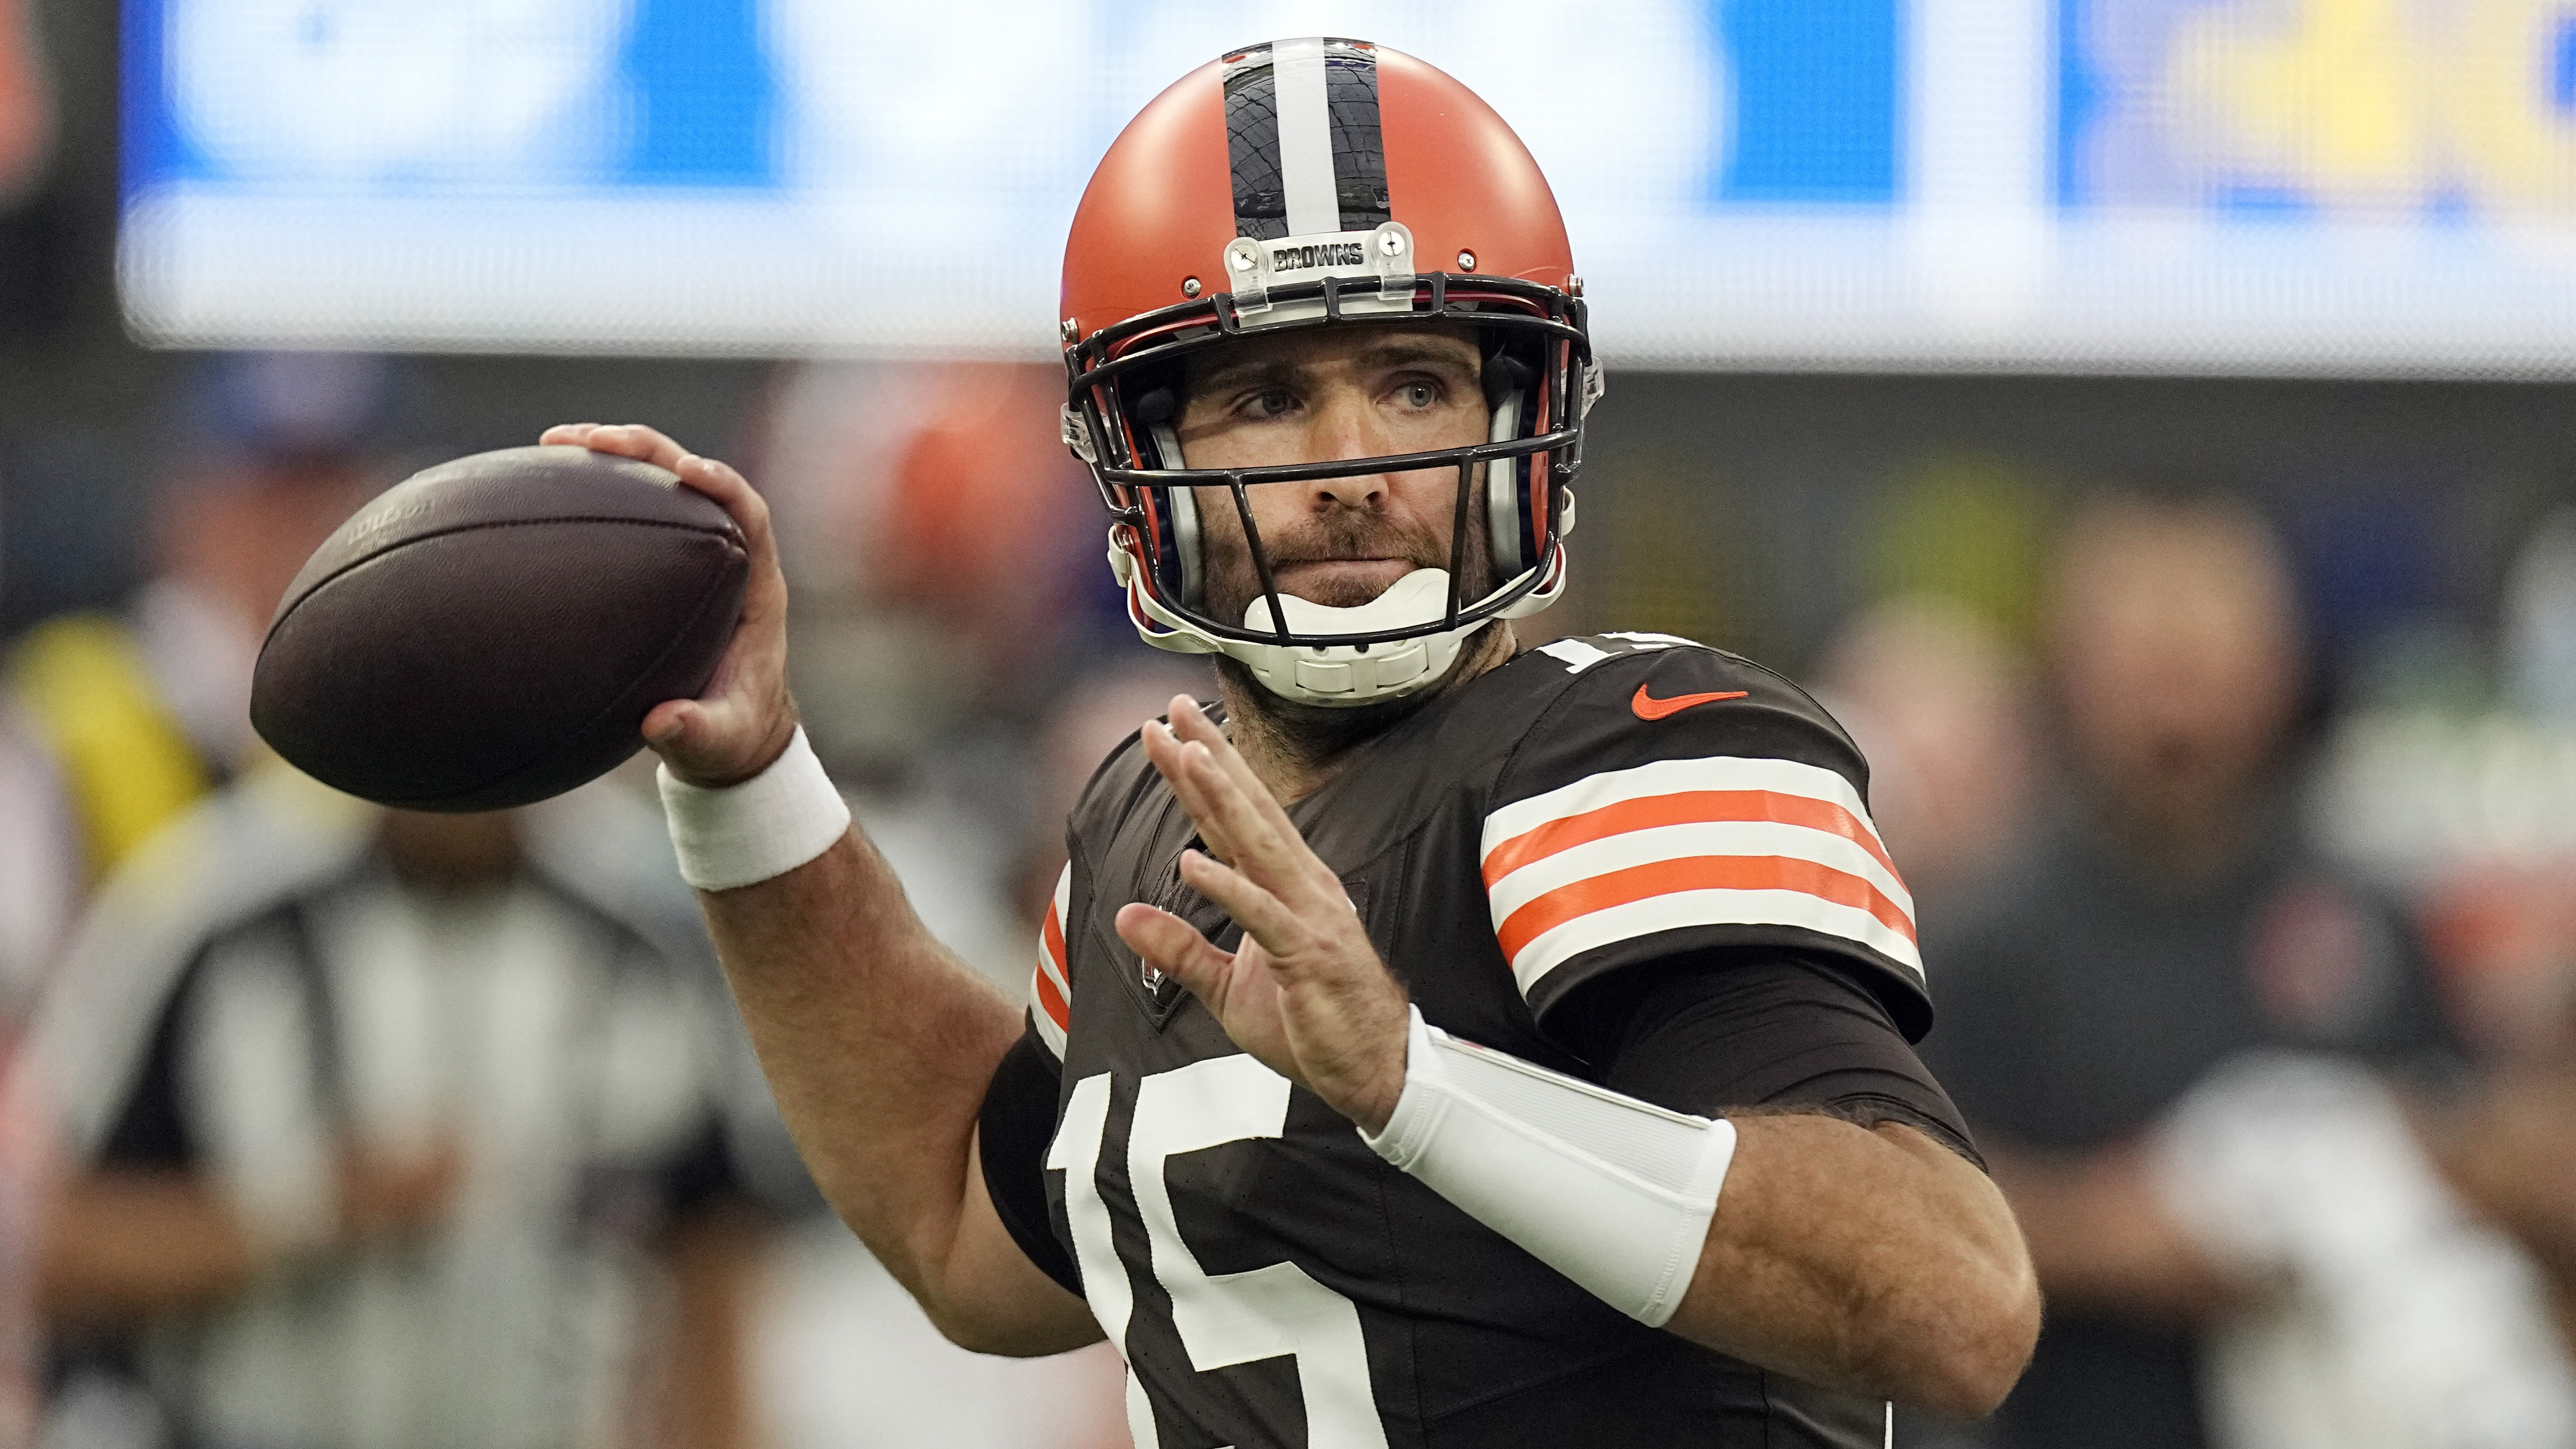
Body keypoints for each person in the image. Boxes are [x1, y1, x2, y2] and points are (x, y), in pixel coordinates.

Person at [556, 38, 2037, 1448]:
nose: (1350, 470)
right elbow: (963, 1230)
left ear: (1526, 418)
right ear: (1145, 461)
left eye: (1411, 384)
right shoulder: (1150, 821)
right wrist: (750, 780)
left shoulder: (1618, 754)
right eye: (1267, 397)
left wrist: (1411, 1081)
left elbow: (1954, 1305)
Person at [1924, 490, 2576, 1449]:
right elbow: (1907, 1211)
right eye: (2141, 628)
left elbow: (2470, 1152)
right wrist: (2116, 1235)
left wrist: (2422, 1166)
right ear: (2066, 659)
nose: (2175, 665)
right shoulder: (1978, 947)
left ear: (2281, 654)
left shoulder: (2368, 917)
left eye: (2210, 623)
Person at [26, 767, 772, 1449]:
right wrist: (306, 1212)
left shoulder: (642, 931)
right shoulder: (211, 906)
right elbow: (57, 1251)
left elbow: (711, 1256)